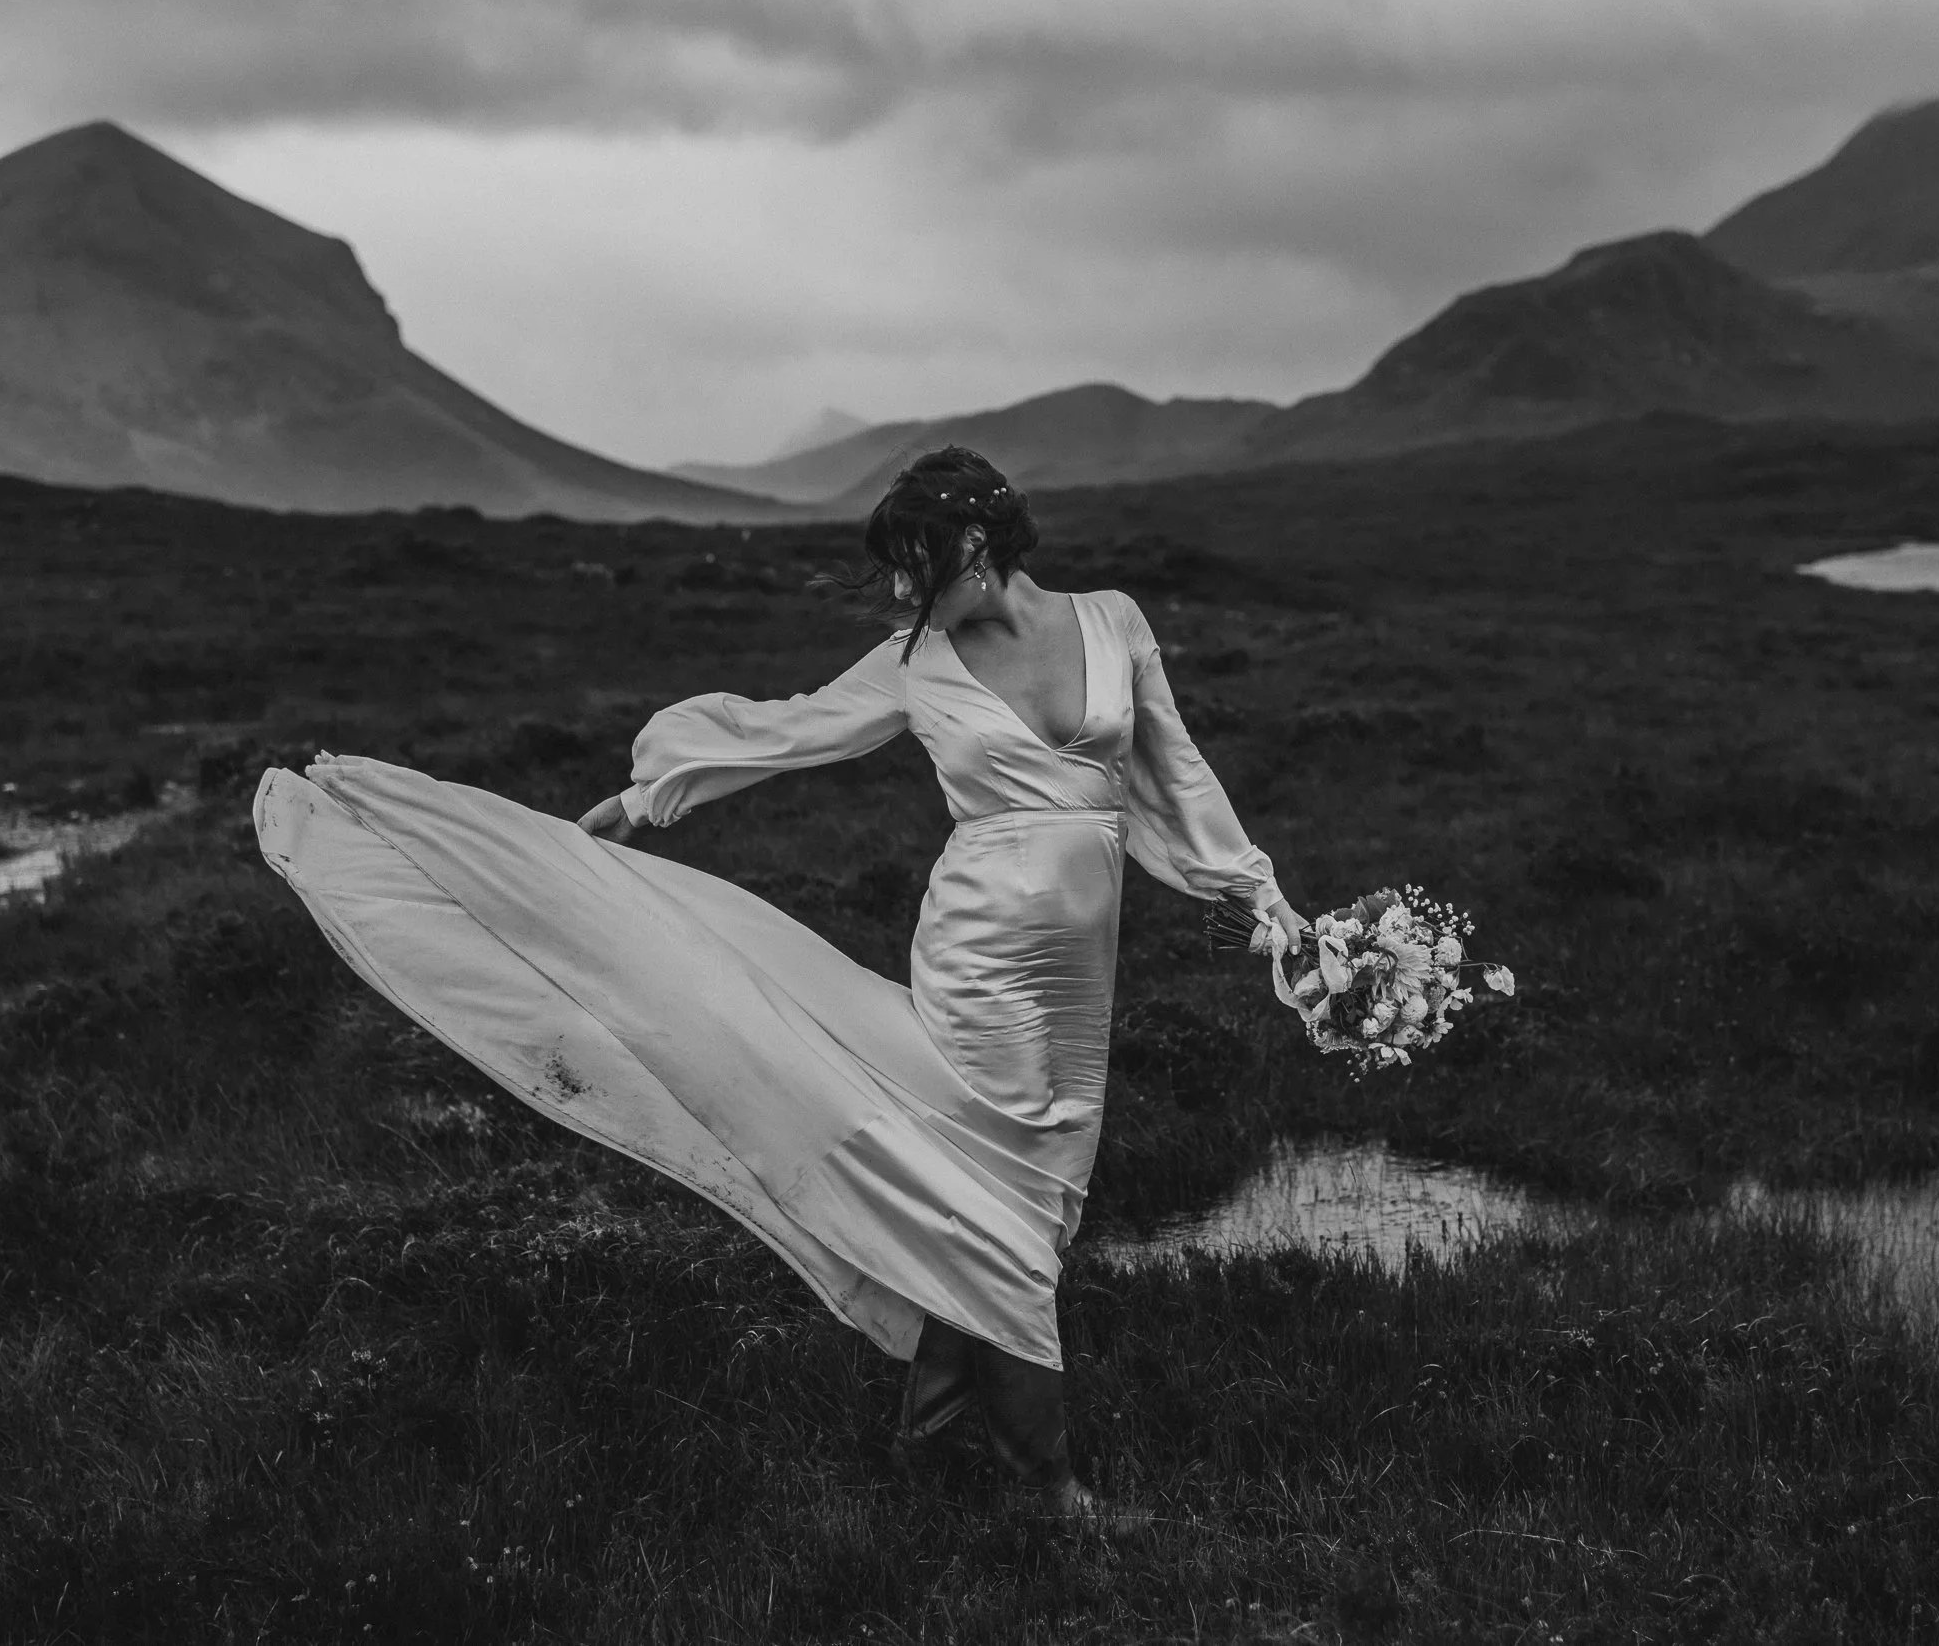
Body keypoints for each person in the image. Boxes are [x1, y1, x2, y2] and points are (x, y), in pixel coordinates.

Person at [253, 445, 1303, 1525]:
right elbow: (785, 728)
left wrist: (1266, 908)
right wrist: (641, 798)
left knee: (1020, 1194)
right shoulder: (912, 662)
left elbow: (1174, 778)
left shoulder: (1114, 620)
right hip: (978, 962)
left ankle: (931, 1426)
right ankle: (1056, 1492)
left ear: (977, 549)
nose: (900, 591)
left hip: (1078, 983)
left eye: (914, 563)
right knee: (1002, 1212)